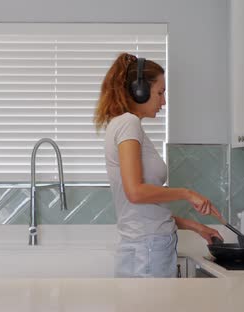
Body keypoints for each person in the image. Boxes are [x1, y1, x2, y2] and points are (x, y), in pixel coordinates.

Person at [94, 53, 224, 278]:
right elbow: (135, 193)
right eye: (160, 93)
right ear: (139, 91)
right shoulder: (129, 124)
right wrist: (187, 193)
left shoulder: (123, 125)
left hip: (146, 247)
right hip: (148, 250)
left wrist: (197, 227)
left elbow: (146, 211)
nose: (163, 101)